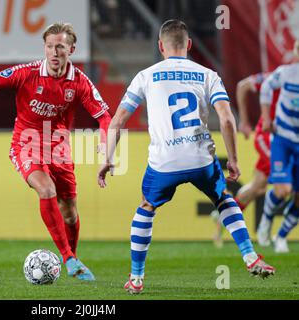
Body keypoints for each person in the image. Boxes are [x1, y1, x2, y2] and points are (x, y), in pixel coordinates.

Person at [97, 19, 275, 294]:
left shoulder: (146, 75)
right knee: (223, 198)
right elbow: (227, 119)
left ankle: (136, 278)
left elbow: (118, 120)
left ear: (160, 46)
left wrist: (108, 157)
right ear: (189, 45)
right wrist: (234, 159)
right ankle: (250, 256)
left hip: (164, 161)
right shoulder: (207, 74)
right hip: (201, 158)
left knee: (146, 206)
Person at [0, 22, 112, 281]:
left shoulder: (79, 81)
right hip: (25, 143)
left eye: (60, 47)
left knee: (69, 211)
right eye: (49, 46)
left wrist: (106, 145)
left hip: (59, 148)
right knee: (46, 189)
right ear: (44, 48)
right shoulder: (28, 73)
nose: (54, 52)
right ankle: (68, 258)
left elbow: (104, 117)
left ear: (71, 49)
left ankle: (74, 258)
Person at [210, 71, 282, 248]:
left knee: (258, 187)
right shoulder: (279, 76)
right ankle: (267, 231)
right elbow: (243, 86)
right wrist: (244, 119)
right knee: (285, 181)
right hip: (267, 137)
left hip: (284, 140)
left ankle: (223, 217)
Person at [257, 40, 299, 254]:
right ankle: (266, 220)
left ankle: (281, 236)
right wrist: (266, 117)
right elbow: (265, 86)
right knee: (283, 190)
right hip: (282, 137)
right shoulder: (286, 73)